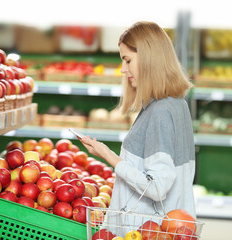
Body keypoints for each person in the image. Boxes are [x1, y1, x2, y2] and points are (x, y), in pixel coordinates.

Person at [79, 21, 196, 223]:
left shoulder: (160, 111)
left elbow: (157, 187)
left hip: (146, 231)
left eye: (127, 60)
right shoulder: (176, 104)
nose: (123, 70)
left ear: (149, 59)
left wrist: (108, 155)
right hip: (170, 229)